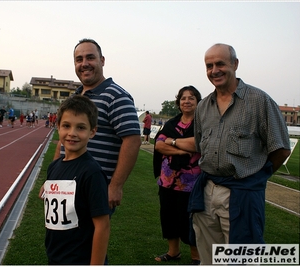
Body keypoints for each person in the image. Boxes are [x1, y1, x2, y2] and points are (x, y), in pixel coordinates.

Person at [188, 43, 291, 265]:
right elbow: (200, 146)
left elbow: (281, 148)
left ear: (235, 64)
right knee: (208, 257)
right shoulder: (203, 106)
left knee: (243, 258)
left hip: (242, 192)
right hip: (206, 191)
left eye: (220, 64)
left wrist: (256, 176)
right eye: (209, 65)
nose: (214, 70)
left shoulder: (259, 101)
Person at [44, 38, 141, 211]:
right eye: (79, 59)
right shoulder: (75, 98)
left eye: (90, 58)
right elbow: (63, 141)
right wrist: (53, 179)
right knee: (62, 235)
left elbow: (132, 140)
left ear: (102, 61)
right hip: (66, 186)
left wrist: (116, 186)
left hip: (94, 188)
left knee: (91, 235)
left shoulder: (117, 97)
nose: (84, 64)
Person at [43, 95, 110, 265]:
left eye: (80, 127)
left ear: (92, 132)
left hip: (81, 259)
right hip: (56, 257)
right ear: (58, 127)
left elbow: (102, 226)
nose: (72, 133)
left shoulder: (92, 173)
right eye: (66, 126)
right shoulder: (54, 167)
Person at [153, 86, 201, 265]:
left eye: (191, 98)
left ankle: (196, 257)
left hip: (191, 184)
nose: (186, 101)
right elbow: (158, 145)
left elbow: (198, 144)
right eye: (183, 98)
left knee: (190, 220)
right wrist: (181, 151)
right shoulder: (172, 123)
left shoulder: (201, 124)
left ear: (197, 102)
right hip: (167, 181)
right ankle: (173, 252)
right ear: (178, 102)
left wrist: (172, 142)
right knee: (168, 217)